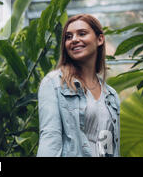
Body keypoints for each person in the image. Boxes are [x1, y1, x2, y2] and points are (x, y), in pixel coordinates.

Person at [37, 14, 121, 157]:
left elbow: (107, 149)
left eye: (82, 33)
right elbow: (50, 138)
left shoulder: (110, 95)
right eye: (69, 37)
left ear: (100, 39)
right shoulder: (54, 83)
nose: (74, 40)